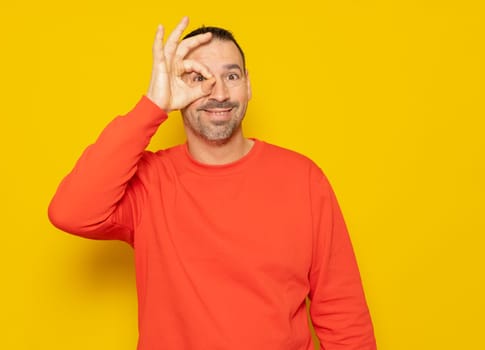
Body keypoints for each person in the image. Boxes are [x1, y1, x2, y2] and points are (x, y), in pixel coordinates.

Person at [48, 16, 377, 350]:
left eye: (230, 76)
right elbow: (71, 212)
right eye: (198, 78)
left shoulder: (303, 179)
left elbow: (344, 316)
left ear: (248, 84)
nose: (218, 93)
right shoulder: (149, 182)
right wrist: (152, 106)